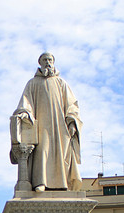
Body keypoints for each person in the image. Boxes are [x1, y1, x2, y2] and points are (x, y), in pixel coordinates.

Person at [11, 52, 82, 191]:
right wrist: (24, 113)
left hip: (60, 126)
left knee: (61, 153)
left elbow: (72, 105)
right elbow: (25, 103)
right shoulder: (33, 83)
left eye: (50, 60)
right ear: (40, 63)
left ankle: (63, 184)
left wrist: (72, 122)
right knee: (43, 150)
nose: (48, 62)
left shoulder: (62, 83)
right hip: (41, 126)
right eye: (45, 60)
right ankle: (40, 182)